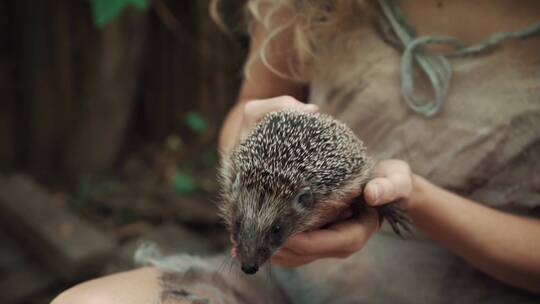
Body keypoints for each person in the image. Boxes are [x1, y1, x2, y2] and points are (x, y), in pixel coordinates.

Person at [53, 0, 540, 303]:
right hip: (294, 285)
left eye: (274, 231)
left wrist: (416, 199)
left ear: (307, 206)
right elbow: (250, 113)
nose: (248, 255)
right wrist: (244, 140)